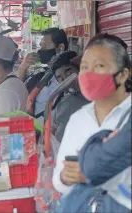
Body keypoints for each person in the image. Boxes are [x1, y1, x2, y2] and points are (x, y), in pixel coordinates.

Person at [52, 33, 132, 196]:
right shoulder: (79, 119)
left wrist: (93, 174)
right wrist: (65, 177)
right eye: (85, 67)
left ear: (123, 74)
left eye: (99, 66)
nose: (89, 74)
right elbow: (59, 180)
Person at [18, 28, 69, 120]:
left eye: (45, 46)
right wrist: (23, 67)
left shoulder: (65, 77)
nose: (41, 50)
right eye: (41, 46)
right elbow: (19, 88)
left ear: (60, 48)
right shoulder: (43, 72)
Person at [51, 51, 90, 141]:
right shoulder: (62, 102)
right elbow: (53, 130)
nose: (65, 78)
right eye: (60, 77)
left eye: (69, 72)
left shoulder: (97, 99)